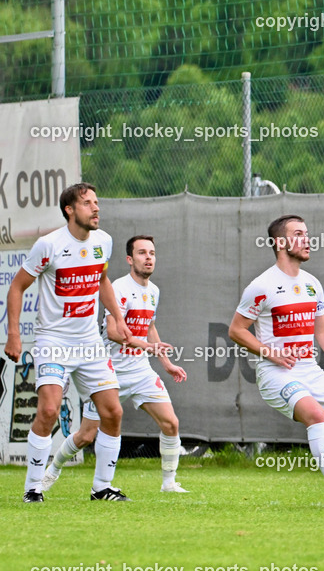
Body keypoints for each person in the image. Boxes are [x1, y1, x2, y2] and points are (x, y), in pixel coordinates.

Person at [229, 215, 324, 509]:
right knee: (316, 414)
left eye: (307, 234)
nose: (307, 240)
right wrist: (271, 353)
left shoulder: (311, 284)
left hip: (310, 371)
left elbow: (322, 329)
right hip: (275, 374)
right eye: (298, 234)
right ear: (280, 242)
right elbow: (236, 330)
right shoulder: (262, 285)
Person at [4, 182, 132, 502]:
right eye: (88, 203)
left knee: (112, 412)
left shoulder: (103, 241)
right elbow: (17, 287)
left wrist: (117, 317)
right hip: (54, 341)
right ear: (70, 210)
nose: (96, 208)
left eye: (96, 202)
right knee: (48, 410)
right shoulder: (48, 245)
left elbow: (101, 279)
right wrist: (14, 334)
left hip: (89, 342)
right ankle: (33, 489)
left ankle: (102, 488)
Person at [41, 235, 190, 493]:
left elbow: (149, 327)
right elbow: (114, 333)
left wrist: (165, 363)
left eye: (152, 253)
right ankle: (53, 470)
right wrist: (150, 347)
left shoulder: (153, 291)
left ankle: (168, 483)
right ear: (130, 259)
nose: (149, 258)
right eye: (142, 253)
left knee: (171, 423)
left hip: (140, 370)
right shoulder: (119, 288)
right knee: (86, 435)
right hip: (108, 372)